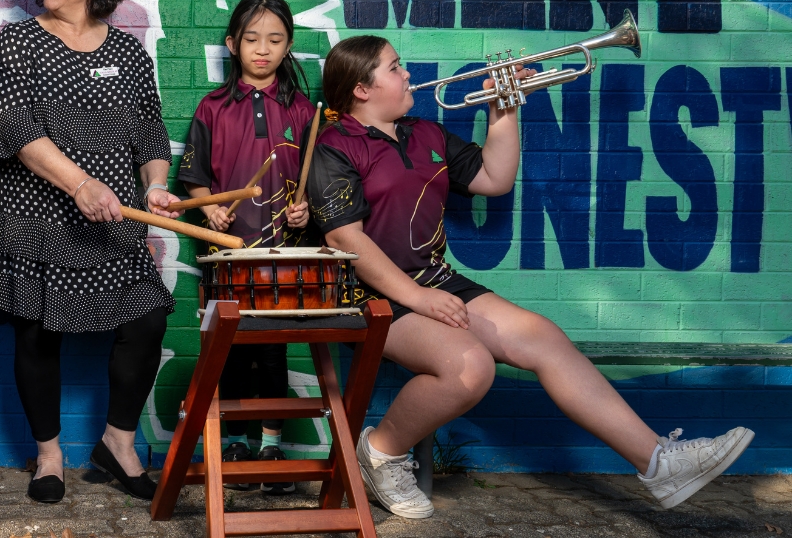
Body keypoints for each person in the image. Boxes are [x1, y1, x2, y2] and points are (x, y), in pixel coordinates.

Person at [307, 35, 754, 518]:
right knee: (470, 367)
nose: (408, 73)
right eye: (395, 68)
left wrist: (505, 108)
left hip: (432, 281)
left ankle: (659, 463)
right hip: (368, 293)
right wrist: (416, 297)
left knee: (542, 337)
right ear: (361, 88)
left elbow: (494, 179)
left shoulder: (425, 134)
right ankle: (381, 452)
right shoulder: (335, 146)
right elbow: (344, 239)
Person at [0, 0, 179, 505]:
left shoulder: (128, 51)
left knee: (145, 321)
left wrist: (156, 187)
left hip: (111, 220)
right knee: (38, 333)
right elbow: (15, 128)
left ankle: (116, 442)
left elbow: (150, 135)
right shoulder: (20, 42)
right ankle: (49, 455)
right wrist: (80, 183)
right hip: (37, 214)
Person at [176, 0, 317, 496]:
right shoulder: (212, 107)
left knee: (275, 346)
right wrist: (208, 203)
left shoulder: (301, 110)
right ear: (233, 44)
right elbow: (192, 176)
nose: (263, 49)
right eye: (252, 39)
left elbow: (313, 182)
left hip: (281, 249)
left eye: (275, 40)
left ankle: (271, 441)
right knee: (231, 346)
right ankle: (236, 437)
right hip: (227, 248)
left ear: (289, 46)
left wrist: (305, 210)